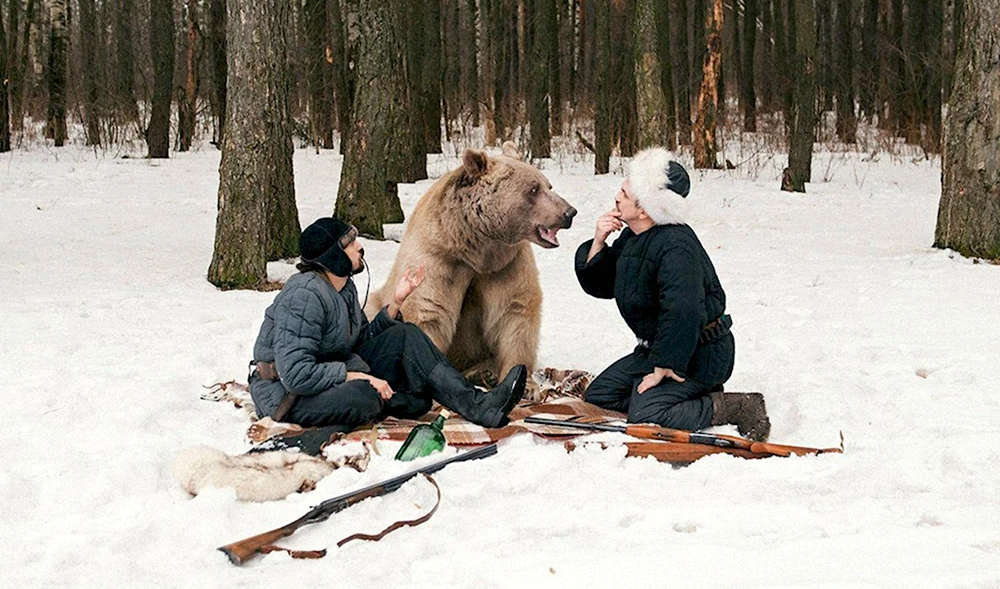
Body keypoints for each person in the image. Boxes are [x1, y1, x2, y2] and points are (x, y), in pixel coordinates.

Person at [249, 216, 528, 430]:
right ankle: (388, 399)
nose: (360, 247)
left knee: (404, 335)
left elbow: (357, 341)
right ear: (332, 256)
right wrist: (361, 376)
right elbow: (295, 375)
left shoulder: (343, 288)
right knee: (366, 395)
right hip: (286, 396)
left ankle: (481, 406)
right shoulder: (304, 294)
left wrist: (395, 303)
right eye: (350, 243)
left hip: (327, 374)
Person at [574, 148, 770, 441]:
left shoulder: (677, 246)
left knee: (647, 417)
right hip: (659, 348)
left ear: (644, 209)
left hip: (700, 353)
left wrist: (666, 365)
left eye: (625, 194)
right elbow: (602, 285)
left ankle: (735, 406)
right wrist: (599, 241)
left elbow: (682, 310)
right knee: (600, 396)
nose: (617, 195)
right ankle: (680, 397)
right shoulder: (633, 236)